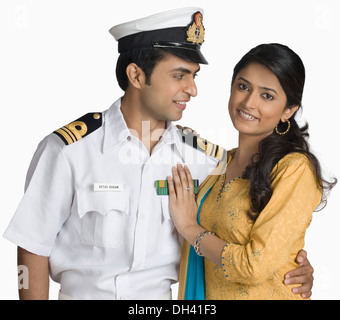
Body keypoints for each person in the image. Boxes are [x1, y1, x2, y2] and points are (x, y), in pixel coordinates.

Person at [4, 8, 313, 300]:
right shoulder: (69, 150)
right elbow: (32, 247)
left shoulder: (208, 161)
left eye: (194, 76)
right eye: (179, 75)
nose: (192, 89)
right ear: (137, 76)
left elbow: (240, 227)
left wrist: (290, 263)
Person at [168, 43, 336, 300]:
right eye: (243, 86)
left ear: (288, 110)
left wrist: (190, 228)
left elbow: (253, 266)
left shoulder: (293, 169)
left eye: (267, 96)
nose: (248, 102)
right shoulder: (219, 165)